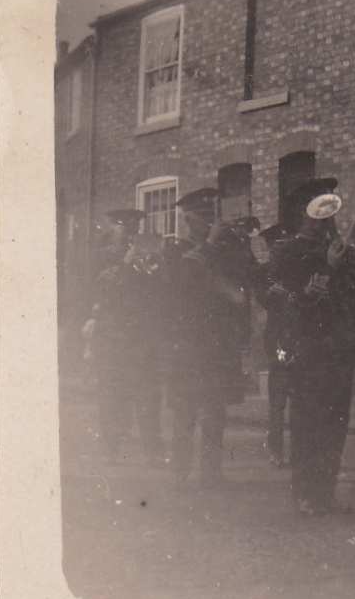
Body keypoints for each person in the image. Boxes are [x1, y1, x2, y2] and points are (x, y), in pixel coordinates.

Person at [265, 178, 355, 516]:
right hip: (308, 346)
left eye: (329, 214)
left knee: (336, 422)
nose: (326, 221)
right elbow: (284, 300)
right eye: (319, 214)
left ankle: (325, 493)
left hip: (339, 346)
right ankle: (305, 493)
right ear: (304, 215)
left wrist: (352, 263)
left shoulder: (338, 249)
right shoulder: (287, 250)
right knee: (308, 422)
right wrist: (328, 267)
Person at [169, 188, 255, 488]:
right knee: (185, 410)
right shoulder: (175, 249)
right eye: (202, 218)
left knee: (215, 409)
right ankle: (179, 473)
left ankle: (211, 473)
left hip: (218, 341)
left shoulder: (221, 249)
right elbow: (185, 277)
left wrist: (241, 243)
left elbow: (245, 280)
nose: (208, 223)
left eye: (211, 217)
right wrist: (211, 242)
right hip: (187, 342)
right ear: (188, 220)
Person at [87, 208, 166, 465]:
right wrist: (125, 264)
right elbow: (103, 290)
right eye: (124, 229)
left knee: (148, 395)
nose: (129, 234)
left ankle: (152, 449)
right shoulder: (101, 257)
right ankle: (111, 448)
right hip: (111, 337)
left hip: (141, 337)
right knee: (111, 395)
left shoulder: (144, 257)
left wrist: (153, 263)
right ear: (114, 229)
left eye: (133, 230)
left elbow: (156, 293)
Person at [253, 222, 293, 467]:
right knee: (278, 400)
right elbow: (262, 300)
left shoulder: (296, 270)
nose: (280, 251)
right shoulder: (263, 273)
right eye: (276, 247)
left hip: (301, 337)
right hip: (277, 338)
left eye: (284, 246)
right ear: (269, 249)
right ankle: (275, 450)